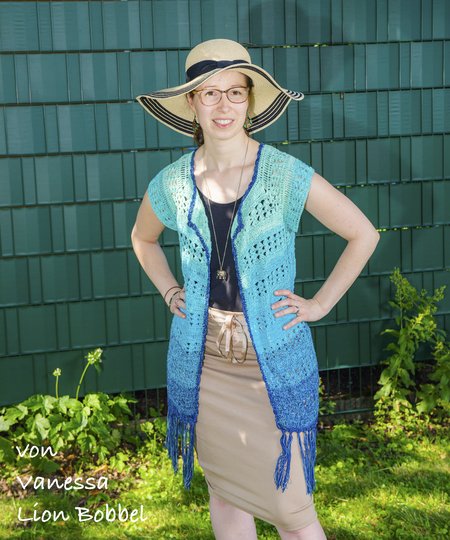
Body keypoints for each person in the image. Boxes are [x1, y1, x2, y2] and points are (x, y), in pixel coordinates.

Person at [131, 39, 380, 540]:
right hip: (203, 361)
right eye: (209, 93)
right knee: (225, 490)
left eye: (235, 92)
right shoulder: (173, 182)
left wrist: (320, 303)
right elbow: (143, 238)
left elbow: (363, 234)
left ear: (249, 101)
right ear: (192, 104)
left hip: (272, 361)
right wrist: (169, 291)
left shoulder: (284, 175)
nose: (223, 105)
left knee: (292, 511)